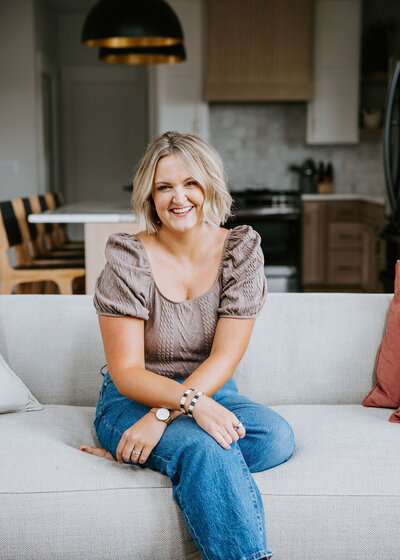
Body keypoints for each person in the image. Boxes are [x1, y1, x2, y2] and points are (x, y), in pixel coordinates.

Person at [77, 131, 295, 560]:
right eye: (165, 187)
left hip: (208, 394)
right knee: (206, 448)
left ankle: (140, 454)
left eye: (191, 183)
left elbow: (225, 356)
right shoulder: (128, 258)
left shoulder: (240, 249)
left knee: (275, 437)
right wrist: (170, 408)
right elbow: (127, 373)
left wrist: (167, 415)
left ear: (209, 185)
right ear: (150, 196)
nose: (180, 198)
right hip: (132, 400)